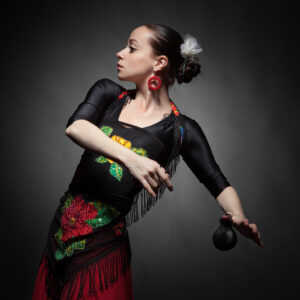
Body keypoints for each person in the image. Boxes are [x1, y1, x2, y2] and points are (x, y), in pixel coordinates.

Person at [32, 24, 264, 300]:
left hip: (101, 253)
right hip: (58, 236)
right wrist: (132, 159)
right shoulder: (108, 94)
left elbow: (218, 183)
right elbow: (76, 127)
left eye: (131, 47)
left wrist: (237, 216)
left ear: (159, 62)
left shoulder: (181, 129)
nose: (120, 53)